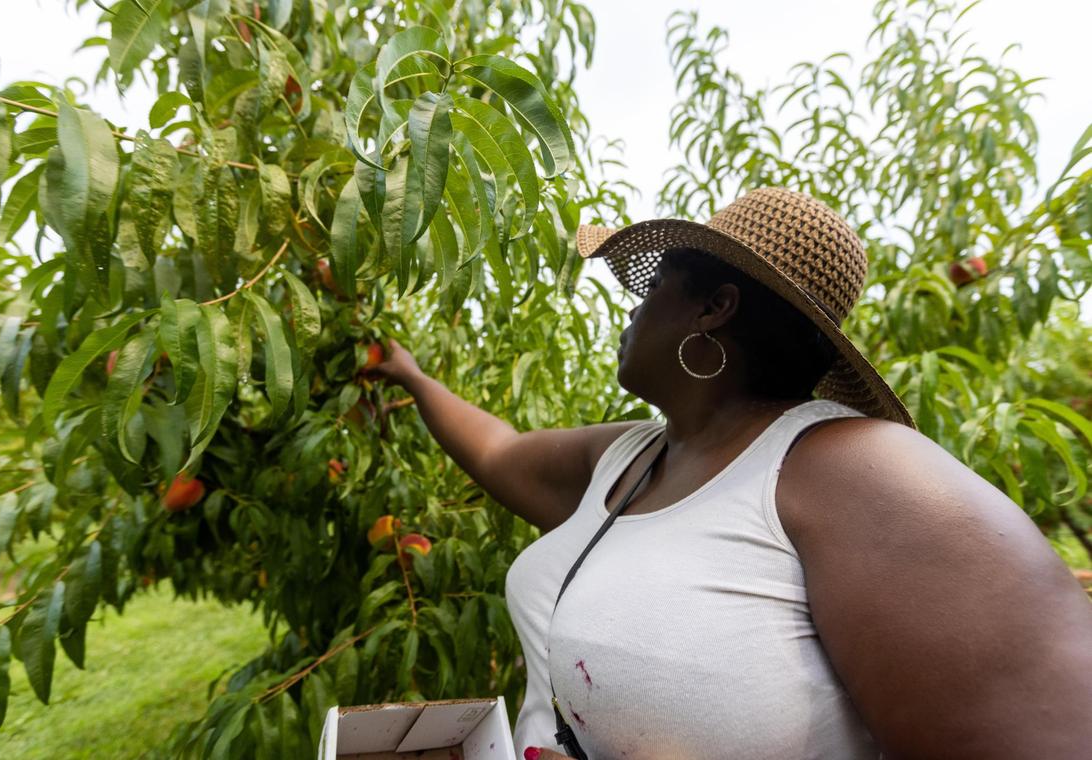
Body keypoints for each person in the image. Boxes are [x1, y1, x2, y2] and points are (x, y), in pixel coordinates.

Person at [370, 187, 1092, 760]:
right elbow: (499, 451)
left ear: (713, 308)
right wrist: (410, 374)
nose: (633, 307)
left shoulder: (856, 473)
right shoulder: (630, 455)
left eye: (653, 284)